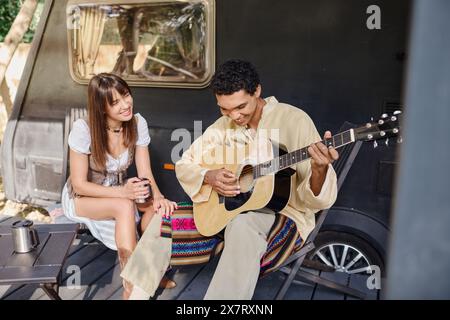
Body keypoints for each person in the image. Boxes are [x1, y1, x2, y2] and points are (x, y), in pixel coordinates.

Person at [121, 60, 339, 300]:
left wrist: (319, 169)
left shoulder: (294, 120)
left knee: (243, 226)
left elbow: (318, 200)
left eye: (241, 107)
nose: (234, 116)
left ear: (257, 91)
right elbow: (185, 164)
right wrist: (209, 176)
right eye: (224, 109)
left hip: (284, 215)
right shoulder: (223, 126)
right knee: (164, 221)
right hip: (230, 211)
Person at [61, 73, 177, 300]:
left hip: (119, 190)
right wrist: (123, 192)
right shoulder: (84, 129)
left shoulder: (136, 122)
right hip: (82, 197)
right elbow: (79, 184)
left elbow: (144, 172)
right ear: (101, 107)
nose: (125, 104)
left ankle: (149, 273)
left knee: (156, 210)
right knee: (124, 206)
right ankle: (131, 286)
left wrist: (159, 196)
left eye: (125, 95)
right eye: (115, 102)